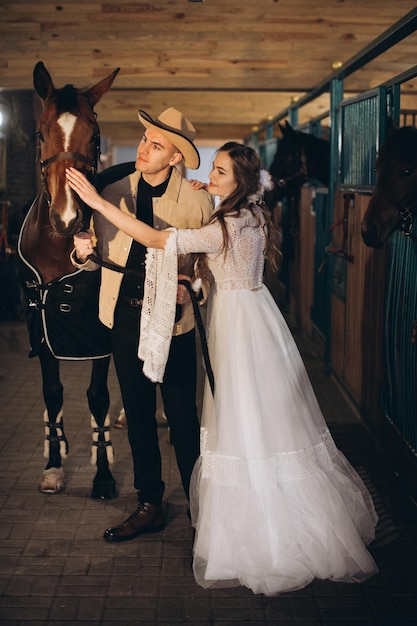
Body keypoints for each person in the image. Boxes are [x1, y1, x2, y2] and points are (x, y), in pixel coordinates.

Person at [66, 141, 378, 596]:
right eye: (213, 168)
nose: (209, 175)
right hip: (255, 319)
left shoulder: (226, 223)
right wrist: (204, 227)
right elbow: (216, 261)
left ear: (241, 183)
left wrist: (94, 202)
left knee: (236, 418)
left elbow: (159, 240)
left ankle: (253, 526)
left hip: (235, 327)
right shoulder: (247, 213)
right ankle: (248, 506)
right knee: (259, 419)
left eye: (220, 171)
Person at [70, 107, 214, 542]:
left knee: (183, 418)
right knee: (137, 417)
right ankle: (149, 502)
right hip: (124, 316)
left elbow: (211, 265)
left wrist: (195, 290)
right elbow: (89, 259)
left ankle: (199, 508)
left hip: (173, 322)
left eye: (156, 145)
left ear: (174, 158)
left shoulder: (196, 199)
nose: (143, 148)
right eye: (144, 138)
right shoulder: (111, 191)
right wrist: (80, 251)